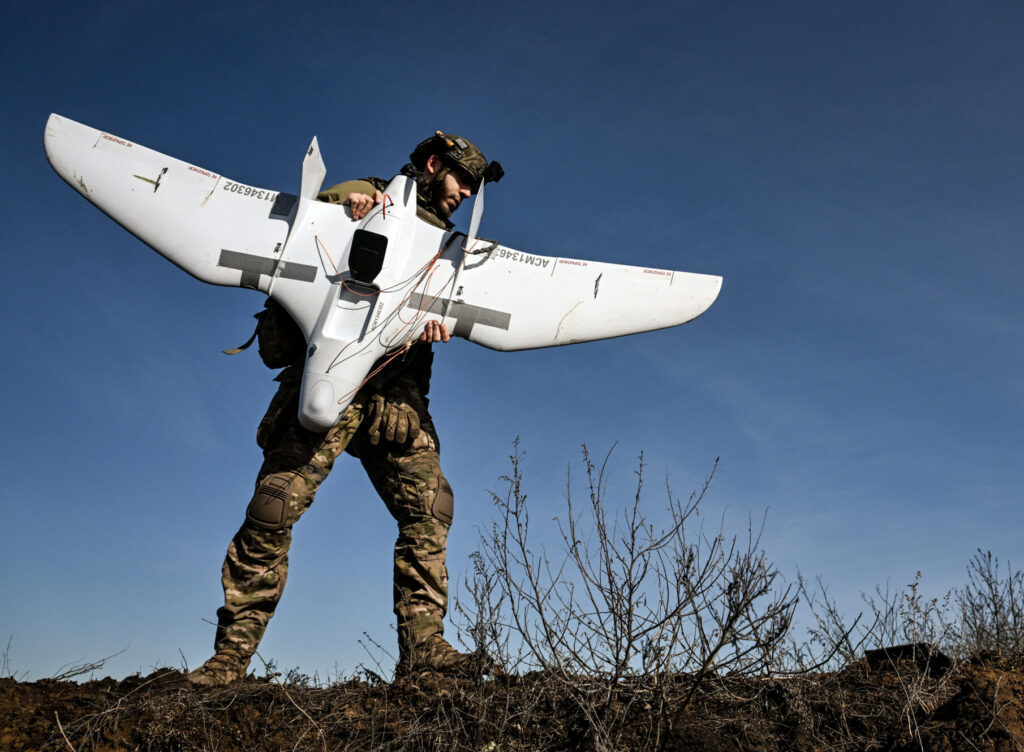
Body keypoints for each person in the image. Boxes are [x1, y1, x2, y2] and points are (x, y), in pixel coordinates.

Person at [187, 132, 503, 686]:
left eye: (475, 188)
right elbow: (303, 231)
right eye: (463, 180)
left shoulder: (451, 251)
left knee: (430, 509)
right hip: (329, 383)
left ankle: (425, 649)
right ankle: (230, 658)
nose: (467, 195)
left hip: (394, 403)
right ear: (434, 164)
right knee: (273, 508)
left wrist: (437, 326)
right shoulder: (361, 198)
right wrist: (342, 211)